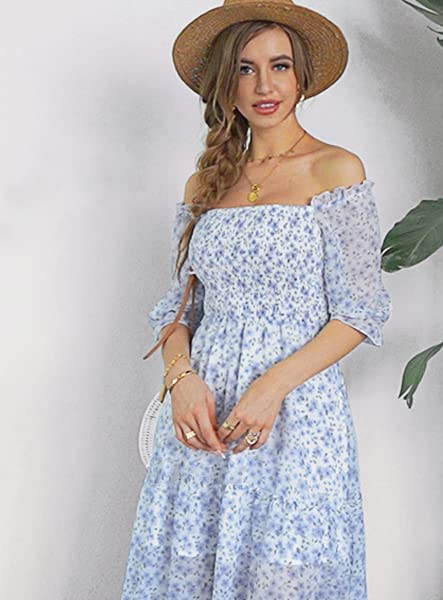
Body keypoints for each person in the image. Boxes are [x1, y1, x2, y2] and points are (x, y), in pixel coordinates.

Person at [121, 0, 392, 598]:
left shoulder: (336, 170)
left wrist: (272, 387)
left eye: (279, 66)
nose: (265, 86)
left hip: (296, 416)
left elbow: (360, 311)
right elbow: (178, 310)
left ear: (301, 76)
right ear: (226, 81)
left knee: (287, 578)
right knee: (188, 578)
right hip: (205, 421)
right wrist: (181, 380)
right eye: (245, 68)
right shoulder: (205, 183)